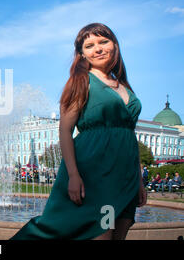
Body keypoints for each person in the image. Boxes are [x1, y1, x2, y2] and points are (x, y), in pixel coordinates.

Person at [11, 23, 147, 240]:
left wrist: (139, 180)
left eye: (104, 41)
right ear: (82, 53)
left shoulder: (124, 85)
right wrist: (73, 175)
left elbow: (129, 134)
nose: (98, 48)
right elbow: (65, 130)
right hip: (95, 170)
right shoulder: (81, 81)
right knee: (101, 232)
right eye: (90, 45)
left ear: (115, 45)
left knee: (120, 231)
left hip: (125, 172)